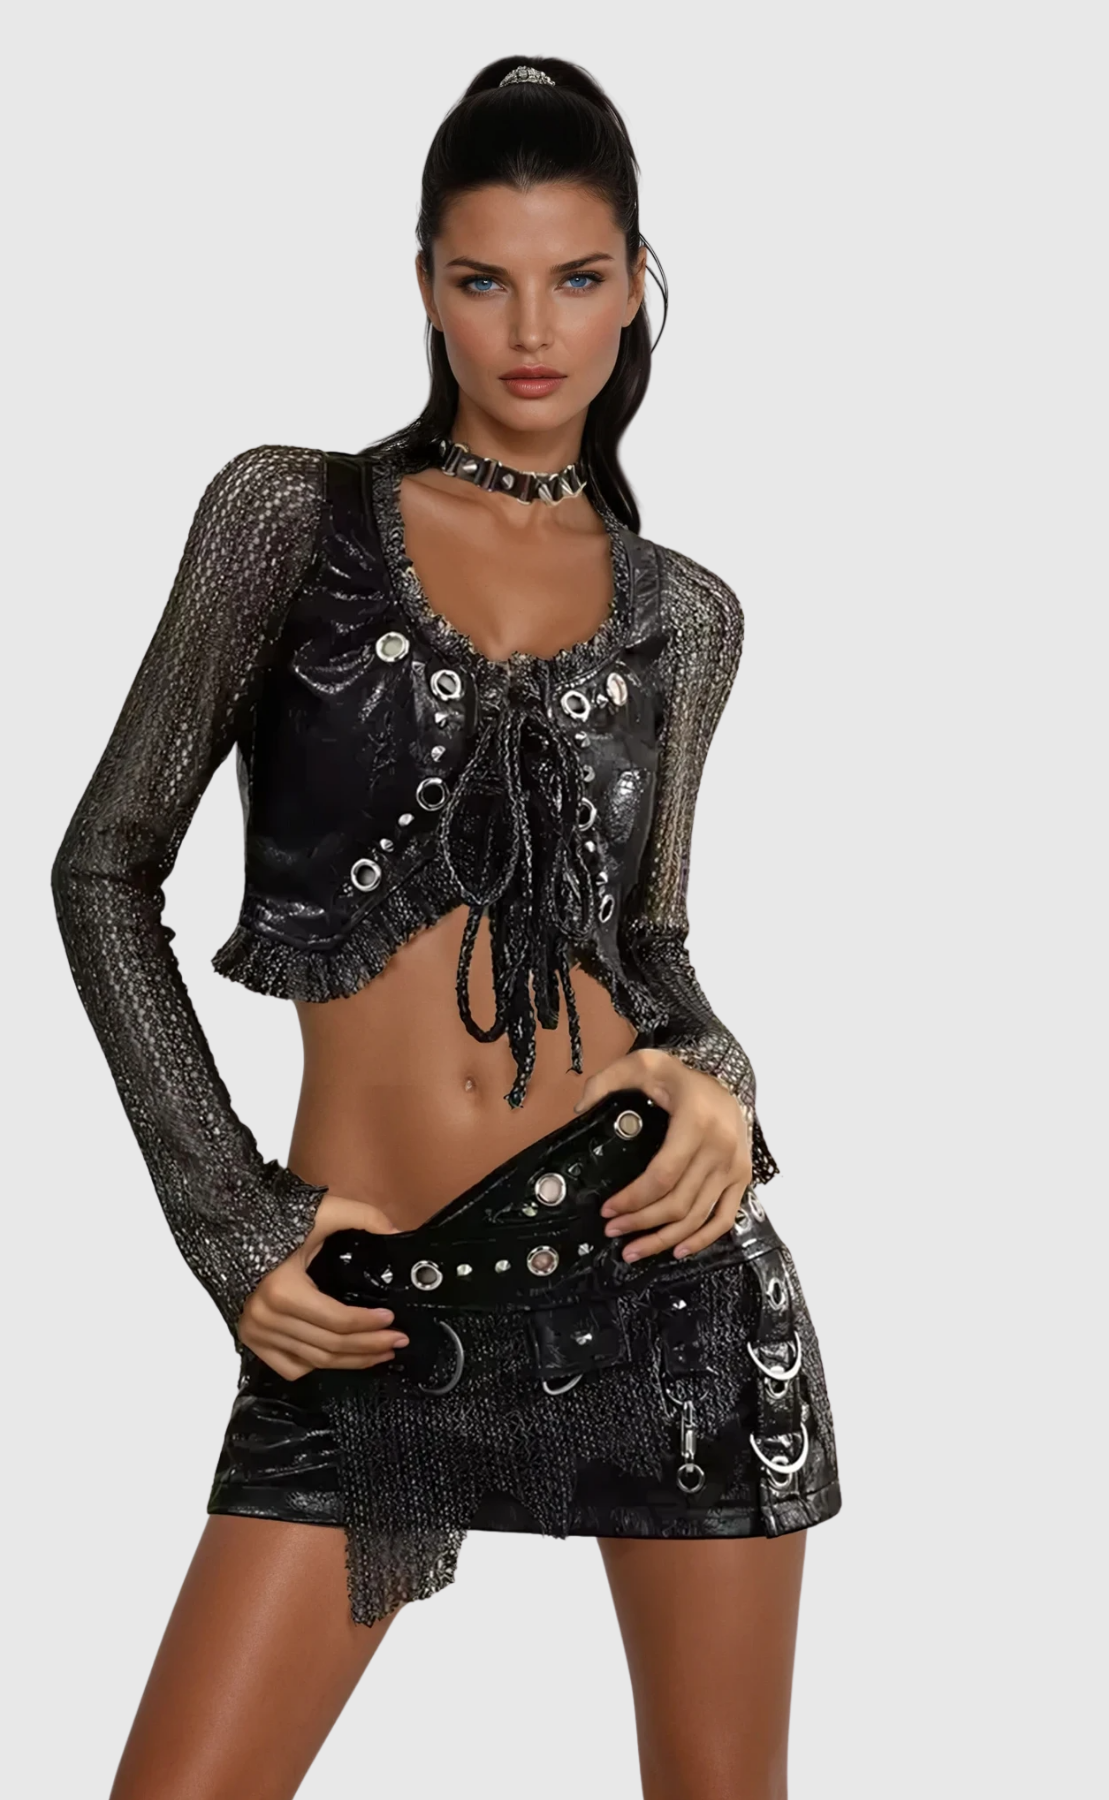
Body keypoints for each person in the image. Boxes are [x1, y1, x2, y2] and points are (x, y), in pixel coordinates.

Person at [53, 54, 841, 1800]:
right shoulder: (291, 518)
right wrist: (229, 1221)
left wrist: (716, 1078)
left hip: (661, 1283)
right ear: (424, 282)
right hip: (369, 1303)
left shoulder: (686, 617)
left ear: (636, 285)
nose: (532, 329)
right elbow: (103, 870)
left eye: (578, 277)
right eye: (485, 278)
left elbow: (654, 951)